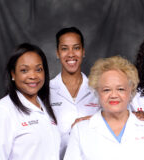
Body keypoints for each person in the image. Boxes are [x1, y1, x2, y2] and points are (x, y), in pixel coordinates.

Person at [64, 56, 144, 160]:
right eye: (106, 90)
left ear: (131, 91)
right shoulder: (80, 131)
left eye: (120, 89)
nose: (114, 95)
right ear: (97, 92)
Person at [0, 43, 60, 160]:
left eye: (38, 69)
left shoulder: (46, 109)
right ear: (13, 74)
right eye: (24, 70)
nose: (33, 76)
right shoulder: (1, 111)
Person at [50, 27, 100, 158]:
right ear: (57, 53)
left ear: (83, 51)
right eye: (64, 48)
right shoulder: (46, 91)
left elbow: (112, 122)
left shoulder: (99, 90)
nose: (71, 54)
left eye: (76, 48)